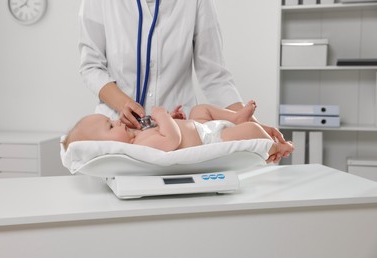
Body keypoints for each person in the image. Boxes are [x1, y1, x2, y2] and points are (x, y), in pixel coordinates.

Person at [78, 0, 287, 162]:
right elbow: (91, 66)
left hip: (186, 140)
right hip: (118, 139)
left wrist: (253, 125)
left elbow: (214, 75)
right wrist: (123, 103)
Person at [62, 101, 294, 162]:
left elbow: (171, 130)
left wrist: (172, 118)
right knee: (251, 129)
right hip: (211, 139)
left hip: (201, 126)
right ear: (105, 147)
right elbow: (172, 140)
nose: (118, 122)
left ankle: (235, 117)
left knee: (200, 108)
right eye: (111, 127)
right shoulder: (138, 147)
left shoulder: (139, 133)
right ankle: (276, 146)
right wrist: (163, 116)